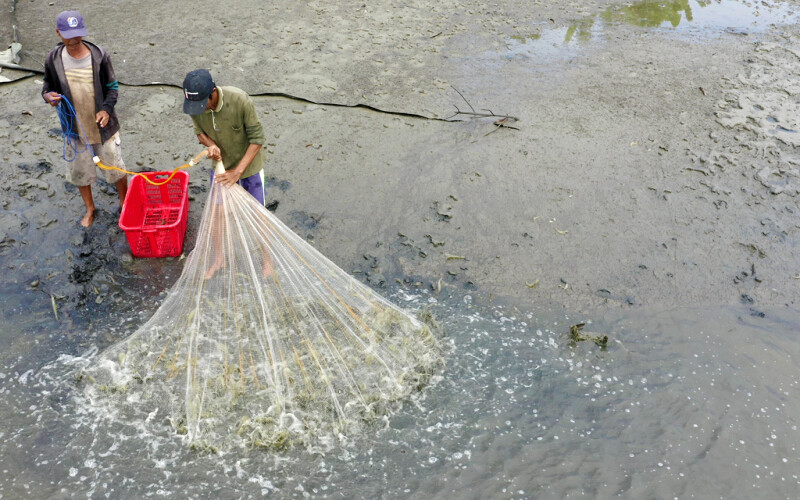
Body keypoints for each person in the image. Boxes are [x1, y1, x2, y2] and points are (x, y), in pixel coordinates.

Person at [42, 10, 128, 227]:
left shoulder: (99, 56)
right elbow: (47, 87)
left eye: (77, 34)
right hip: (74, 128)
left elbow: (113, 87)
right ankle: (90, 208)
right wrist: (48, 96)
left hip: (103, 126)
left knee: (115, 166)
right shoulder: (53, 59)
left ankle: (125, 202)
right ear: (58, 33)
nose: (74, 39)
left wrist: (106, 110)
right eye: (68, 35)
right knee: (80, 172)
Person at [182, 69, 271, 278]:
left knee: (259, 215)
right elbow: (199, 133)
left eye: (203, 104)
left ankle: (268, 260)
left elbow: (257, 139)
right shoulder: (196, 108)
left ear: (213, 93)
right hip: (221, 168)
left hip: (249, 168)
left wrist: (238, 172)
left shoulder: (240, 100)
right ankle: (219, 258)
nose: (198, 109)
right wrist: (212, 146)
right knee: (217, 214)